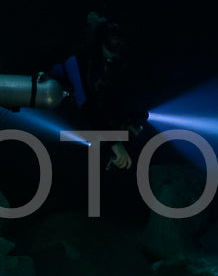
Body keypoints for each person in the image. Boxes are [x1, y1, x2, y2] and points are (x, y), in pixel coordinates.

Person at [49, 13, 148, 170]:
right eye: (111, 48)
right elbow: (86, 104)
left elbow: (118, 96)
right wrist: (114, 142)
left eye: (118, 51)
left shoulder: (113, 65)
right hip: (60, 108)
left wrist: (130, 121)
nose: (112, 58)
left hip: (85, 111)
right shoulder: (77, 60)